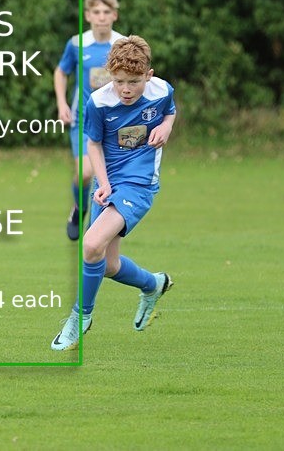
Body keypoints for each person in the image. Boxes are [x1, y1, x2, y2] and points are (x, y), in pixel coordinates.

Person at [51, 35, 176, 351]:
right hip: (109, 183)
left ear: (148, 75)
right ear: (110, 75)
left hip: (140, 183)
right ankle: (154, 284)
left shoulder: (161, 91)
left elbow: (170, 110)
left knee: (90, 244)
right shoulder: (99, 101)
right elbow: (92, 144)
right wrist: (103, 183)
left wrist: (166, 127)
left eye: (135, 81)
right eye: (120, 81)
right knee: (106, 264)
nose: (127, 89)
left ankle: (80, 318)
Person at [54, 0, 125, 240]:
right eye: (97, 11)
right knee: (86, 173)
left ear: (115, 14)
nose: (102, 16)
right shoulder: (76, 44)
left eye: (107, 11)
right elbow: (61, 72)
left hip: (116, 123)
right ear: (88, 15)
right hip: (83, 120)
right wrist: (62, 104)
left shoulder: (123, 45)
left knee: (107, 179)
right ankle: (79, 208)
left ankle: (95, 231)